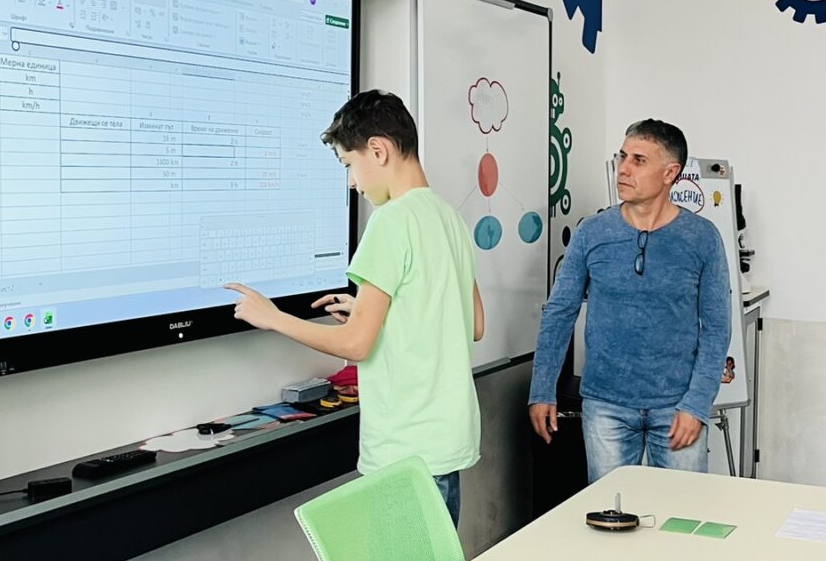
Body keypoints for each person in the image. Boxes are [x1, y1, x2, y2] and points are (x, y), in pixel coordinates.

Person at [227, 90, 484, 525]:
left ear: (378, 150)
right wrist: (379, 313)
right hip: (444, 443)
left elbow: (356, 344)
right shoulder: (449, 217)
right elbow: (473, 322)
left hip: (404, 450)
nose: (352, 182)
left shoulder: (391, 221)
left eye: (349, 164)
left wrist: (274, 318)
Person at [528, 119, 731, 483]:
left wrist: (697, 403)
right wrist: (542, 389)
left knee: (681, 511)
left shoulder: (702, 238)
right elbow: (559, 312)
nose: (623, 168)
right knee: (612, 510)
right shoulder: (592, 232)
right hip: (606, 405)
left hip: (677, 405)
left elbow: (716, 328)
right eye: (623, 156)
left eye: (639, 160)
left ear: (669, 173)